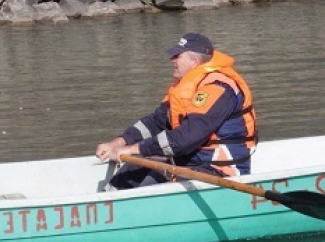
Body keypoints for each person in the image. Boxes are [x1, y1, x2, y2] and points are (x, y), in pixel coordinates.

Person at [96, 32, 257, 189]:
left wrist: (132, 149)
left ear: (194, 61)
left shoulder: (217, 89)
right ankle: (110, 203)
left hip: (218, 170)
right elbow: (156, 122)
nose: (171, 60)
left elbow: (185, 138)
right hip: (191, 161)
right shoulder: (186, 88)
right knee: (131, 172)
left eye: (177, 56)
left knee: (150, 182)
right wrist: (117, 143)